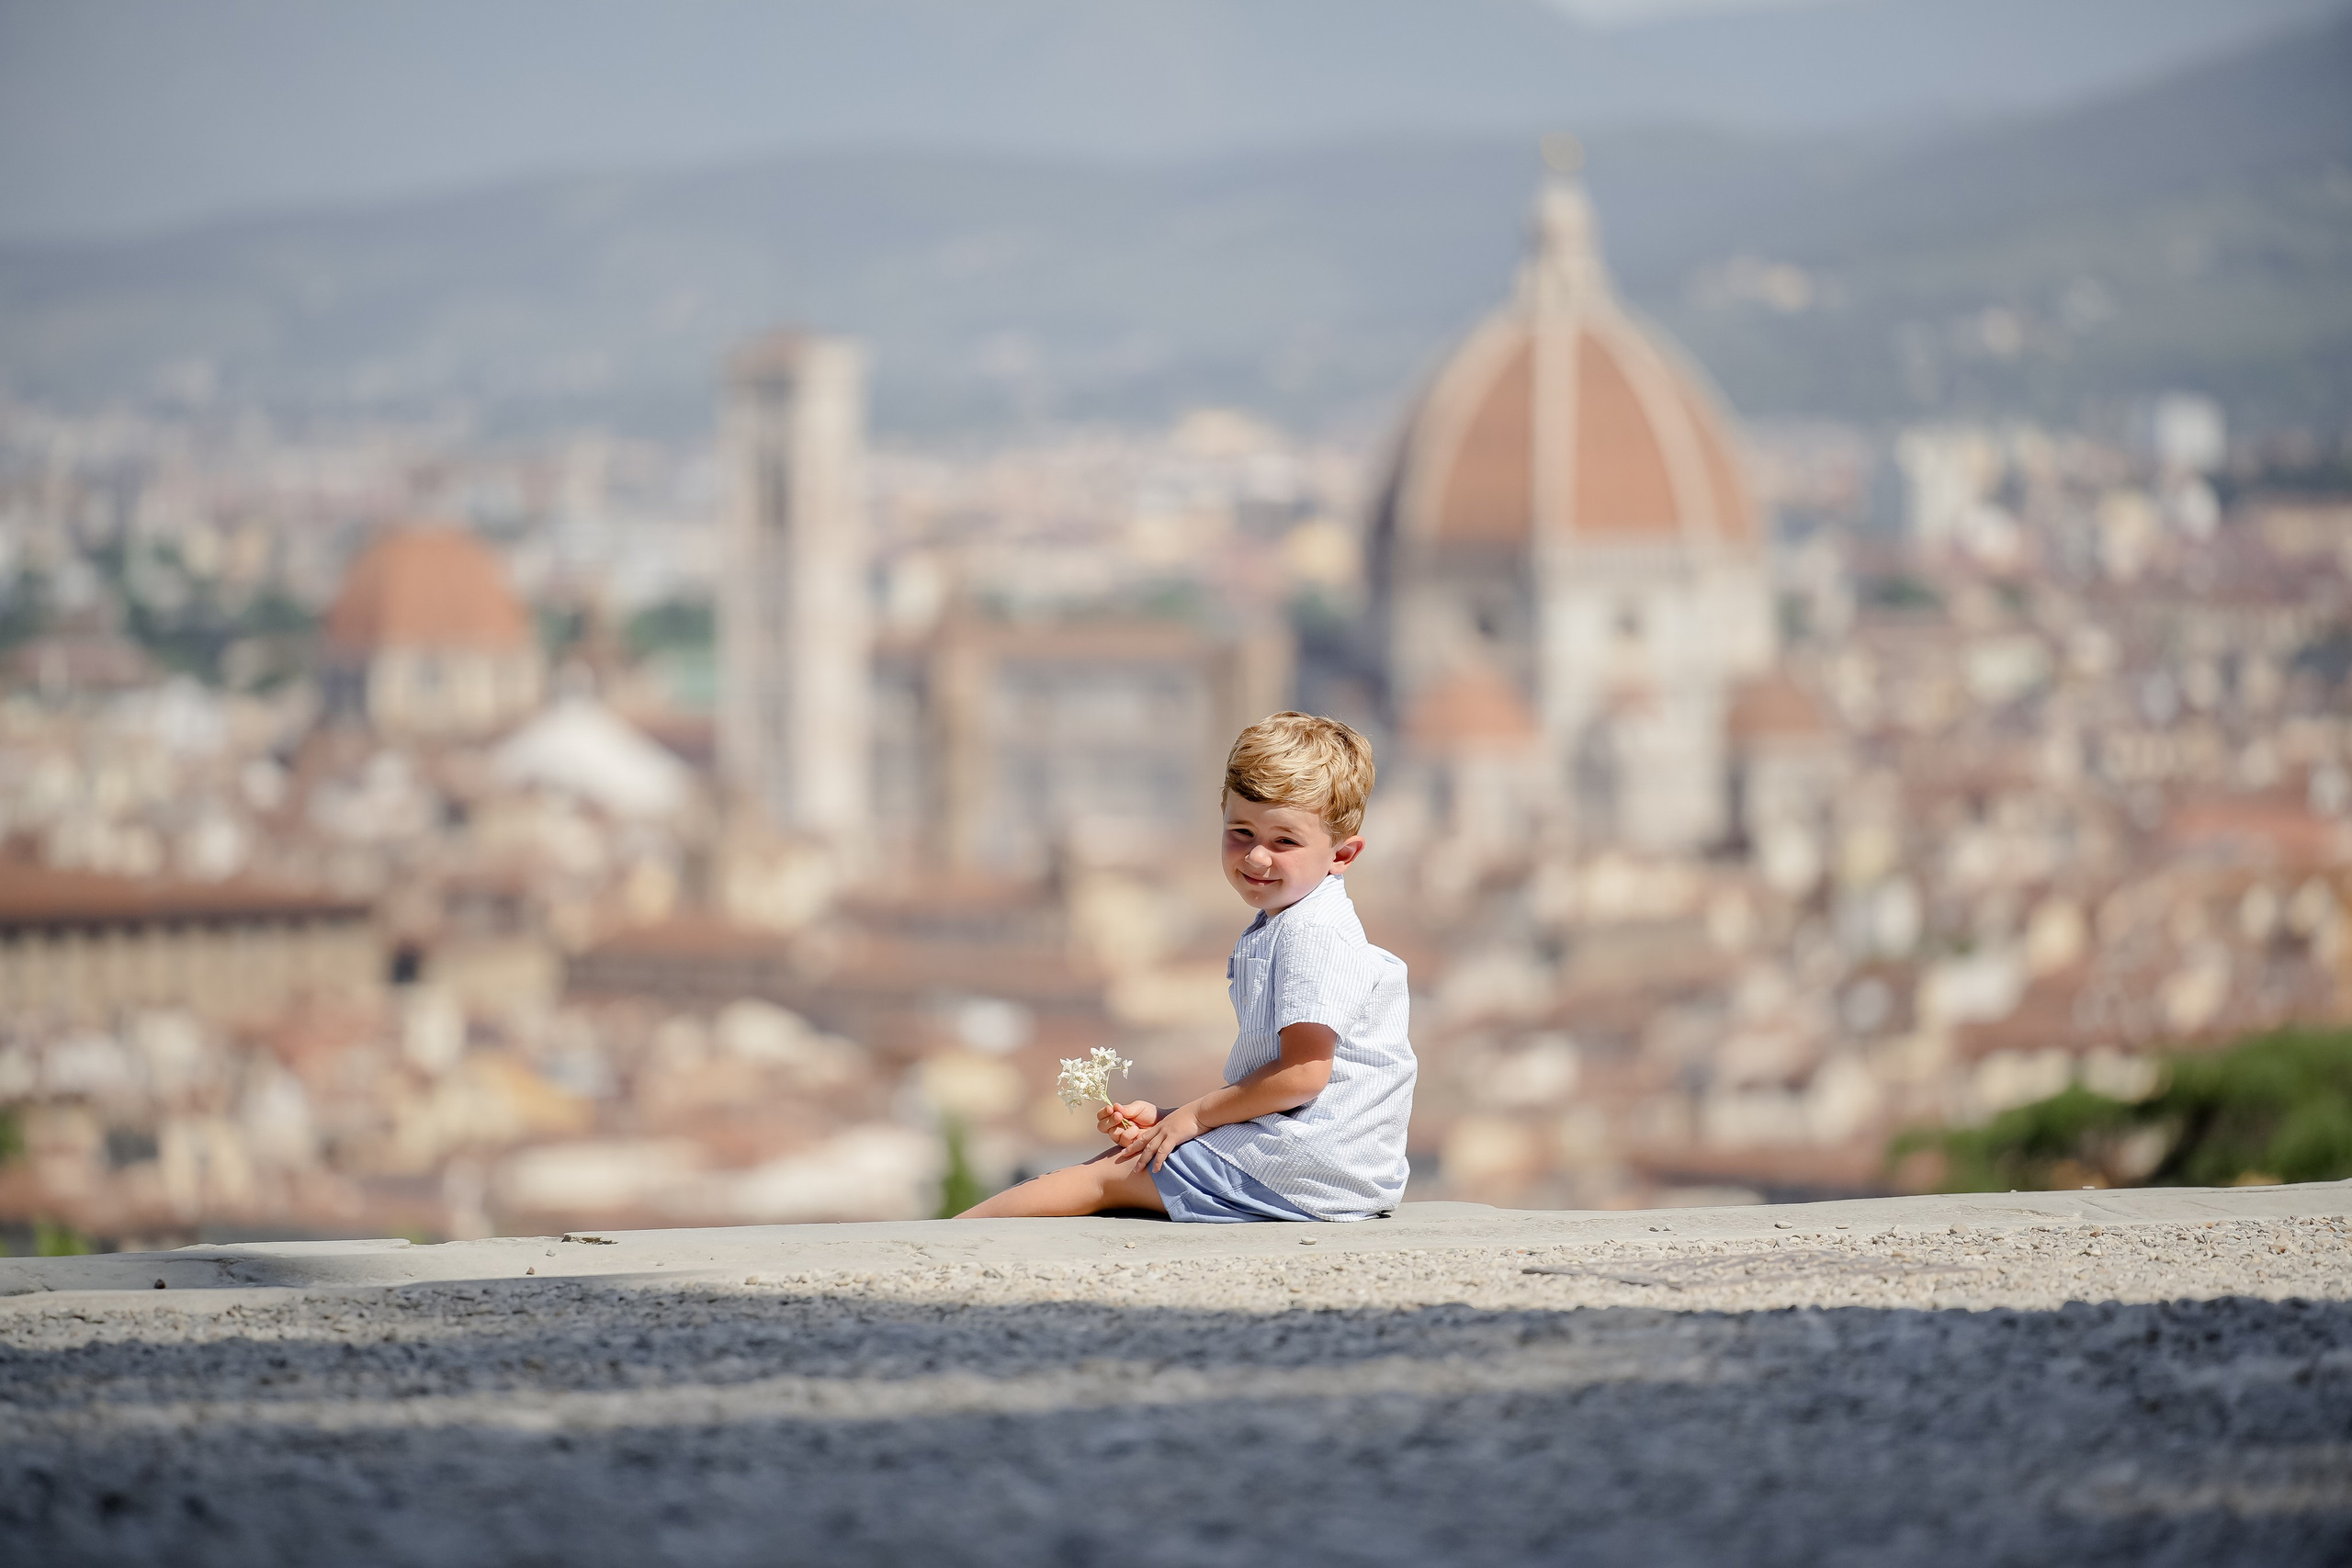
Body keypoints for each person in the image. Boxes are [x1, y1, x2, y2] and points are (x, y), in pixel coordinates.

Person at [959, 711, 1415, 1222]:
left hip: (1308, 1169)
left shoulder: (1312, 935)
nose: (1256, 858)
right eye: (1241, 832)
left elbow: (1304, 1076)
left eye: (1284, 841)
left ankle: (939, 1244)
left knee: (1105, 1176)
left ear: (1343, 854)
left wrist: (1194, 1118)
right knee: (1129, 1159)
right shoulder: (1296, 921)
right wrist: (1171, 1118)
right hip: (1332, 1165)